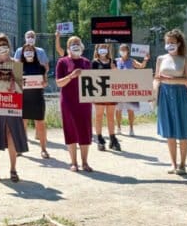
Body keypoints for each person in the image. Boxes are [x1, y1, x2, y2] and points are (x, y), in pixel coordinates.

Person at [0, 34, 28, 182]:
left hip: (12, 103)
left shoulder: (16, 63)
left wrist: (14, 85)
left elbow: (21, 87)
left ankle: (13, 169)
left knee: (11, 136)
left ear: (9, 46)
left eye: (4, 44)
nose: (1, 47)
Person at [154, 29, 187, 175]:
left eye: (172, 42)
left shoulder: (185, 59)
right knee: (169, 131)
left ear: (178, 43)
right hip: (165, 95)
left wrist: (171, 79)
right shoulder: (160, 58)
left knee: (183, 130)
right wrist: (153, 95)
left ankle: (183, 164)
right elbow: (156, 78)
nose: (169, 45)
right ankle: (173, 164)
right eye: (167, 42)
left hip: (180, 95)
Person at [55, 36, 93, 172]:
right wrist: (71, 76)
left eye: (77, 43)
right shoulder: (62, 62)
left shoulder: (87, 62)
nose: (75, 45)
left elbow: (94, 83)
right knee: (70, 130)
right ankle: (73, 162)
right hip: (68, 101)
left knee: (85, 130)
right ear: (68, 47)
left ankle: (85, 162)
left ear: (81, 46)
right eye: (72, 44)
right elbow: (59, 83)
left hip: (84, 102)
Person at [20, 43, 50, 158]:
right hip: (24, 100)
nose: (28, 52)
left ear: (34, 52)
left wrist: (44, 83)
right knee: (23, 125)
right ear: (23, 53)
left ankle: (43, 149)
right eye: (26, 50)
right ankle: (21, 148)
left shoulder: (41, 67)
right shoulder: (19, 67)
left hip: (38, 99)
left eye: (30, 50)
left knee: (40, 125)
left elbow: (45, 82)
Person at [115, 44, 150, 136]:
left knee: (131, 110)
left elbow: (142, 66)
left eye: (124, 49)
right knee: (118, 110)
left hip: (130, 89)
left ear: (128, 51)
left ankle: (131, 129)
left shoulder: (132, 61)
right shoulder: (116, 61)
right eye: (121, 49)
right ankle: (118, 128)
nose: (122, 51)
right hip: (118, 89)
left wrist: (145, 60)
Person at [92, 44, 120, 151]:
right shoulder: (94, 62)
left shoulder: (113, 62)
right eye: (101, 48)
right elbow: (92, 78)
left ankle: (112, 138)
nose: (103, 50)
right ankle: (99, 138)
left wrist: (115, 70)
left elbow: (117, 77)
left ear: (108, 49)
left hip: (111, 92)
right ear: (97, 50)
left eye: (105, 47)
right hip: (99, 93)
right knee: (99, 116)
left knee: (110, 117)